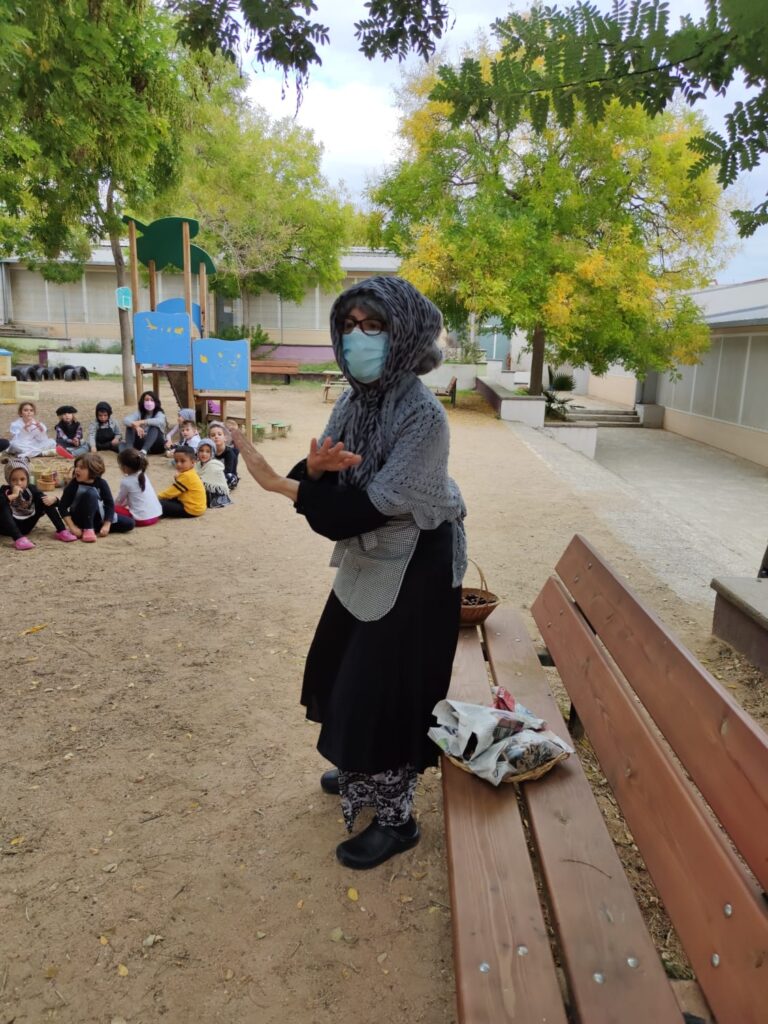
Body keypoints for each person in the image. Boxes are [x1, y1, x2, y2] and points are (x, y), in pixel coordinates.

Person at [232, 276, 466, 870]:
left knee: (387, 686)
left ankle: (397, 819)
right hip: (371, 553)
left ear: (404, 333)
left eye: (375, 325)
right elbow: (330, 473)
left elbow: (366, 507)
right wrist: (310, 471)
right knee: (344, 664)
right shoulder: (354, 401)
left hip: (417, 563)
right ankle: (362, 765)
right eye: (349, 325)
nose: (358, 337)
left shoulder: (424, 417)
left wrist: (281, 485)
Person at [0, 457, 77, 549]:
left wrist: (55, 500)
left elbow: (57, 503)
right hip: (7, 528)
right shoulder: (4, 490)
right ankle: (18, 539)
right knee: (3, 504)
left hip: (27, 525)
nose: (19, 483)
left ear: (27, 479)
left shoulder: (31, 489)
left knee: (44, 499)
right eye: (14, 480)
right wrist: (13, 495)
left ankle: (61, 530)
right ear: (9, 480)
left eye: (22, 479)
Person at [59, 452, 134, 541]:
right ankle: (88, 529)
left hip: (98, 517)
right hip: (80, 518)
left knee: (130, 523)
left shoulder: (101, 483)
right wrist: (73, 527)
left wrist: (106, 525)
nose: (77, 470)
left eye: (81, 468)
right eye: (76, 466)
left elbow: (109, 504)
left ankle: (95, 529)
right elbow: (62, 507)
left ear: (93, 470)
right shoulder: (73, 485)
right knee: (91, 493)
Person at [114, 448, 162, 526]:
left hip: (141, 520)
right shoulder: (143, 475)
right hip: (156, 516)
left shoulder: (126, 481)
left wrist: (113, 506)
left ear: (125, 467)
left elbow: (119, 501)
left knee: (110, 508)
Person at [157, 446, 207, 518]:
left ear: (193, 462)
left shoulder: (187, 476)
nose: (178, 464)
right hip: (198, 508)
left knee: (160, 504)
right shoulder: (191, 472)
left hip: (191, 510)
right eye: (176, 461)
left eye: (182, 461)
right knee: (169, 500)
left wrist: (156, 497)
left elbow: (170, 492)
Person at [121, 390, 167, 456]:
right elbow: (125, 420)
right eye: (147, 400)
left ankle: (143, 451)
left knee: (154, 426)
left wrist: (141, 422)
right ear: (143, 401)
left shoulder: (159, 413)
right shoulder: (139, 413)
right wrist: (136, 426)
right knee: (130, 426)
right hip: (141, 442)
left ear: (155, 402)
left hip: (157, 445)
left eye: (152, 400)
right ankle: (129, 450)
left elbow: (160, 421)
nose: (149, 402)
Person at [196, 438, 232, 508]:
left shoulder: (214, 465)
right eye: (201, 451)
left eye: (207, 451)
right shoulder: (197, 465)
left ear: (212, 453)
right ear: (197, 452)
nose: (204, 454)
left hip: (215, 494)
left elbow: (206, 483)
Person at [208, 421, 239, 490]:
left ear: (225, 438)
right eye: (213, 435)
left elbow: (228, 470)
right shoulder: (210, 451)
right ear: (209, 439)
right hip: (213, 476)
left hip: (226, 476)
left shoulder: (229, 453)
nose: (216, 437)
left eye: (219, 434)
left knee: (229, 477)